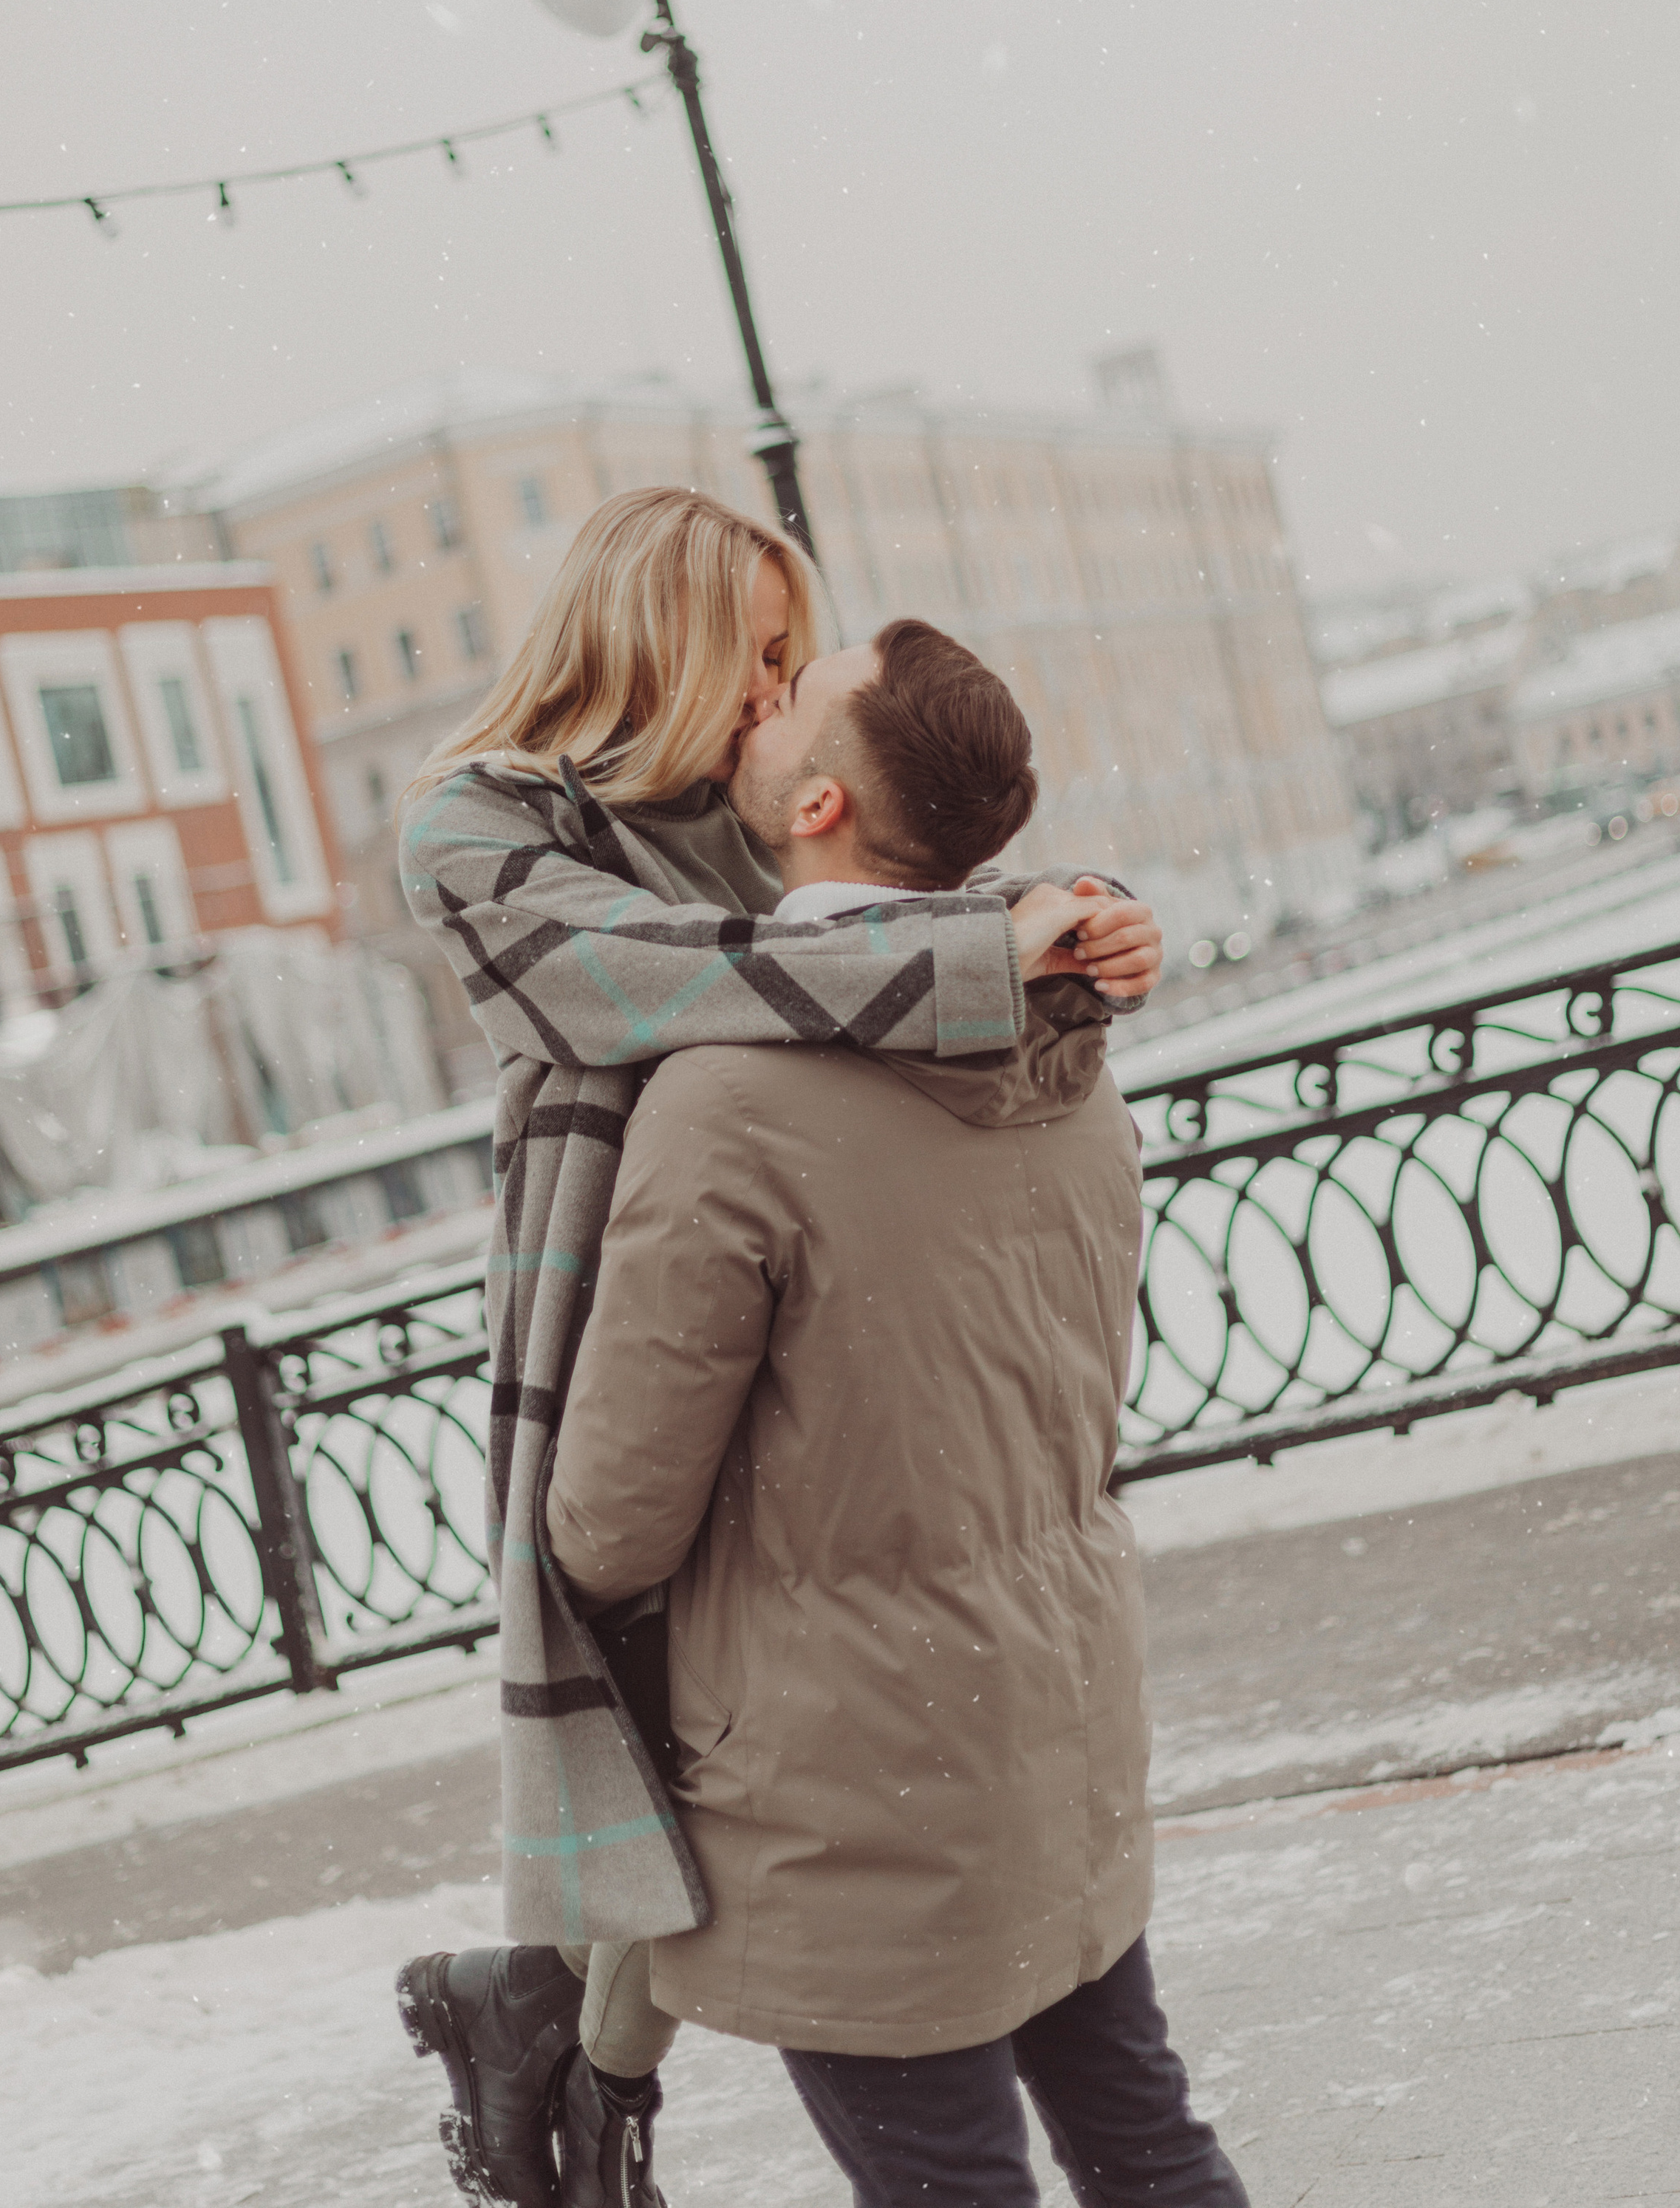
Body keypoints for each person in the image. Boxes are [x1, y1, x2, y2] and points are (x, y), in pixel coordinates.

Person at [394, 491, 1164, 2207]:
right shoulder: (478, 825)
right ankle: (564, 2057)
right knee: (661, 1723)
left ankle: (553, 2049)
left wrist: (1061, 913)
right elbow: (683, 980)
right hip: (618, 1301)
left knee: (738, 1765)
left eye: (779, 664)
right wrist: (994, 944)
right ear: (642, 634)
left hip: (780, 1310)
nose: (764, 696)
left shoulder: (740, 807)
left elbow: (876, 869)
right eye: (745, 655)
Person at [545, 618, 1246, 2208]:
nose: (763, 704)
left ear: (814, 813)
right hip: (1046, 1713)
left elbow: (611, 1520)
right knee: (1145, 2145)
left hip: (853, 1774)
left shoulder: (731, 1094)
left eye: (798, 696)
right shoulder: (1060, 1054)